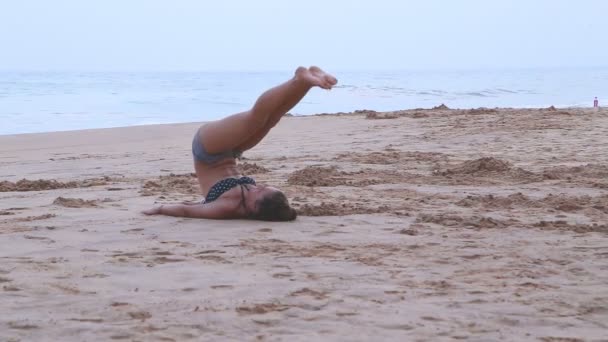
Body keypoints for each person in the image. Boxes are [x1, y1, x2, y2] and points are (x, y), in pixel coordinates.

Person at [142, 66, 338, 221]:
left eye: (259, 190)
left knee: (255, 119)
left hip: (207, 149)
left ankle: (297, 79)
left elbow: (187, 210)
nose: (257, 187)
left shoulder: (226, 208)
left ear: (254, 207)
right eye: (263, 186)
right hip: (232, 152)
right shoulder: (251, 201)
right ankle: (306, 83)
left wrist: (159, 209)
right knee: (272, 120)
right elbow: (198, 203)